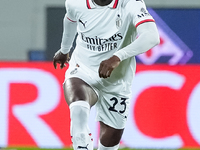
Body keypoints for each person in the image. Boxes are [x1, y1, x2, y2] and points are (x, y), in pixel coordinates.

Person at [53, 0, 160, 149]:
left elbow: (152, 36)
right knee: (78, 105)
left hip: (117, 80)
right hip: (83, 68)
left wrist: (117, 57)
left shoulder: (131, 3)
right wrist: (64, 50)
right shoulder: (75, 2)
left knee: (109, 143)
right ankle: (81, 144)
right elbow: (70, 19)